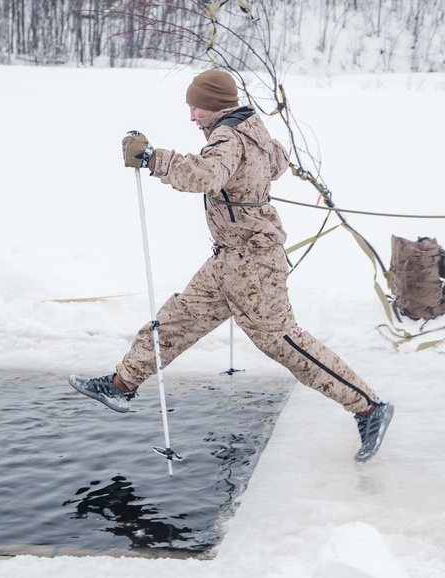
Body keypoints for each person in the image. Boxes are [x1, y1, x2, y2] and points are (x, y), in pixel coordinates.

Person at [69, 69, 393, 462]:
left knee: (284, 342)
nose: (192, 117)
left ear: (216, 105)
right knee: (177, 320)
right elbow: (276, 164)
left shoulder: (227, 136)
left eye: (196, 108)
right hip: (228, 260)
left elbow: (205, 176)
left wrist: (154, 158)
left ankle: (369, 407)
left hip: (253, 265)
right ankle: (121, 385)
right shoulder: (251, 127)